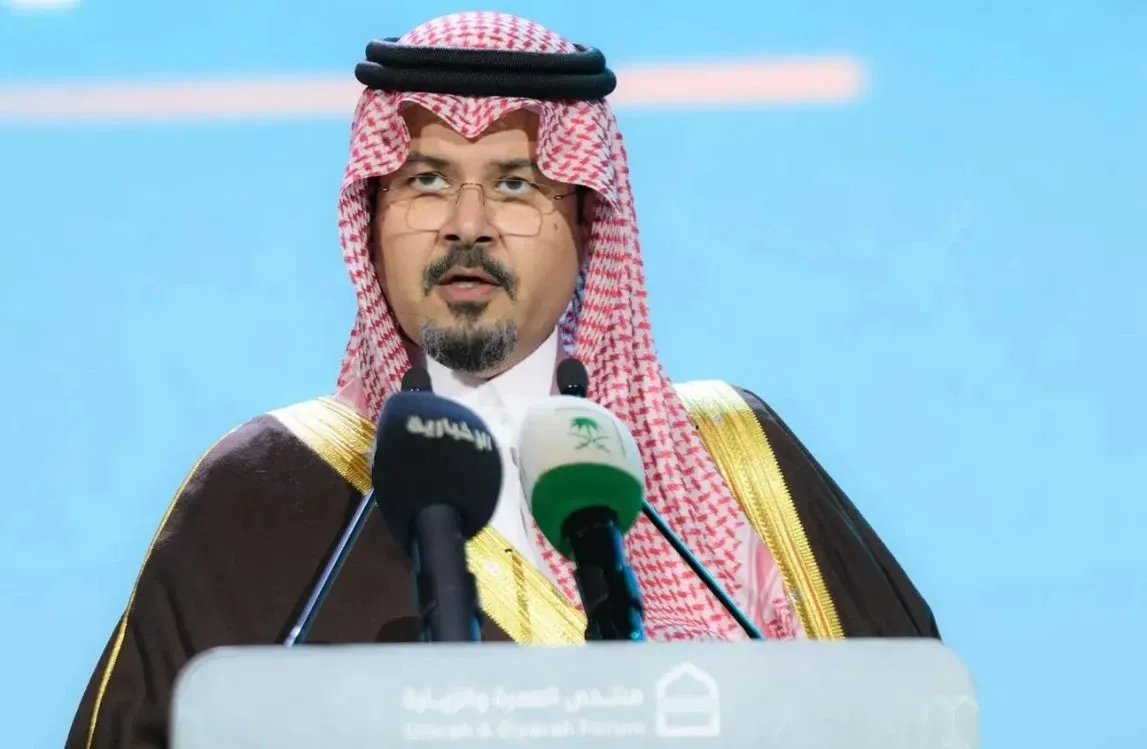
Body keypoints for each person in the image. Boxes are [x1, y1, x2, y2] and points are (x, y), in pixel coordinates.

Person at [66, 11, 939, 749]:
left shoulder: (739, 458)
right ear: (370, 218)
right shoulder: (266, 492)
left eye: (516, 184)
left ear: (588, 223)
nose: (466, 225)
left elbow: (912, 715)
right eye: (425, 181)